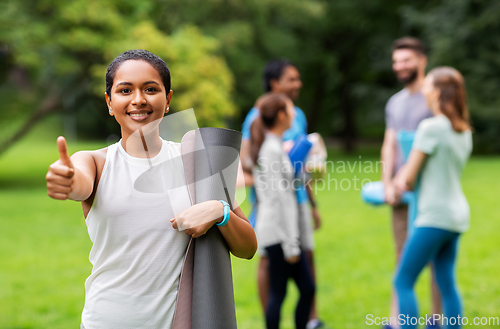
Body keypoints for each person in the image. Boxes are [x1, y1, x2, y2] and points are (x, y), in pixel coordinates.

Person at [45, 49, 257, 329]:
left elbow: (248, 248)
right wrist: (68, 180)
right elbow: (79, 181)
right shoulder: (95, 162)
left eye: (150, 89)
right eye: (124, 90)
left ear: (167, 99)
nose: (138, 100)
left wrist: (222, 212)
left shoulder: (196, 162)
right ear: (109, 102)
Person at [240, 59, 324, 329]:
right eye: (292, 79)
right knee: (276, 276)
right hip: (275, 214)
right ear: (275, 83)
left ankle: (310, 321)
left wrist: (311, 198)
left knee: (304, 271)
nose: (297, 84)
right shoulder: (259, 122)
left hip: (294, 204)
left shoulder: (295, 116)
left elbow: (294, 170)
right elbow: (253, 166)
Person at [394, 67, 472, 329]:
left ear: (438, 93)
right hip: (456, 216)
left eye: (428, 86)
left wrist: (397, 182)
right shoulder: (463, 130)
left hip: (434, 217)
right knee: (446, 283)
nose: (424, 91)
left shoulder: (431, 127)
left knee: (403, 281)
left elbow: (408, 179)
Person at [381, 37, 440, 329]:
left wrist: (406, 177)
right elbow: (389, 145)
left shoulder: (436, 96)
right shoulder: (395, 102)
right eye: (396, 62)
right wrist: (387, 184)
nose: (399, 67)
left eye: (405, 60)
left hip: (430, 193)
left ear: (421, 60)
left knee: (433, 258)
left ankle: (438, 318)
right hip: (400, 195)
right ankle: (396, 321)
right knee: (402, 255)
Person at [251, 92, 315, 329]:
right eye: (290, 110)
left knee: (305, 290)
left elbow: (287, 183)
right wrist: (291, 245)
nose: (294, 115)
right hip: (279, 234)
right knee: (280, 293)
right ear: (280, 115)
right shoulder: (271, 150)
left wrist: (308, 170)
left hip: (281, 232)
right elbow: (281, 200)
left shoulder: (274, 147)